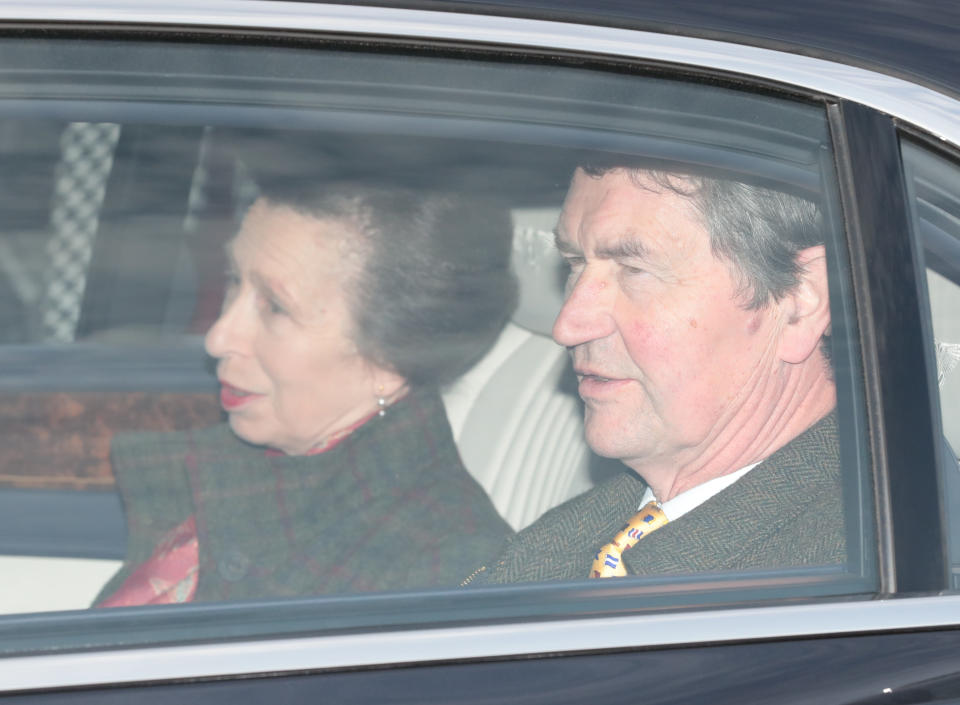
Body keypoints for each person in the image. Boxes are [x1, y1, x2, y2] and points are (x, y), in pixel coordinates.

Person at [96, 180, 516, 605]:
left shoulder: (442, 573)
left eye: (275, 307)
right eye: (233, 280)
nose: (218, 337)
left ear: (391, 359)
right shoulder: (254, 470)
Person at [472, 163, 842, 584]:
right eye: (574, 263)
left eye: (634, 270)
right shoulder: (575, 536)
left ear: (799, 302)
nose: (567, 325)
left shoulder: (840, 585)